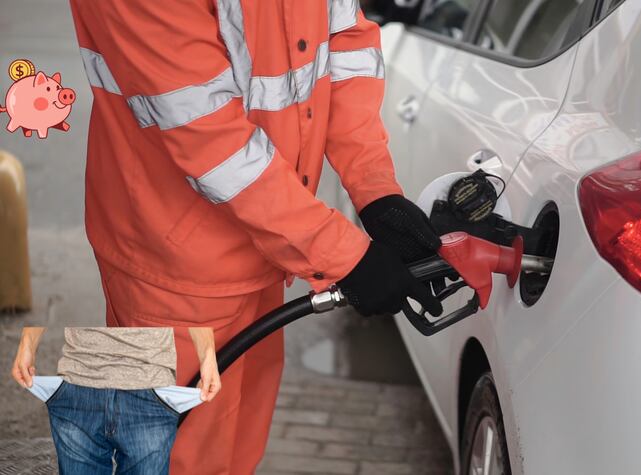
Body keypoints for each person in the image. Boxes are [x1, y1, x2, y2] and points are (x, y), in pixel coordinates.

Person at [66, 1, 442, 473]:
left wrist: (374, 189)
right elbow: (206, 134)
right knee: (175, 461)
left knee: (236, 454)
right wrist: (343, 254)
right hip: (171, 268)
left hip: (266, 244)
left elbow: (346, 42)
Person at [11, 326, 220, 475]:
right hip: (79, 383)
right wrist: (27, 343)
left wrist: (208, 354)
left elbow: (192, 293)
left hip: (148, 390)